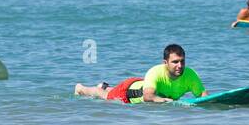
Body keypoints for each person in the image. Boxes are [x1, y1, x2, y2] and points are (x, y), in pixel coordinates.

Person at [74, 43, 207, 104]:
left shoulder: (190, 74)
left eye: (182, 61)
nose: (180, 66)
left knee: (109, 90)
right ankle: (81, 88)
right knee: (105, 95)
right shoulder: (155, 72)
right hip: (128, 92)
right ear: (165, 62)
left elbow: (203, 96)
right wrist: (167, 101)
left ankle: (104, 85)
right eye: (175, 62)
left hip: (143, 84)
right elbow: (148, 97)